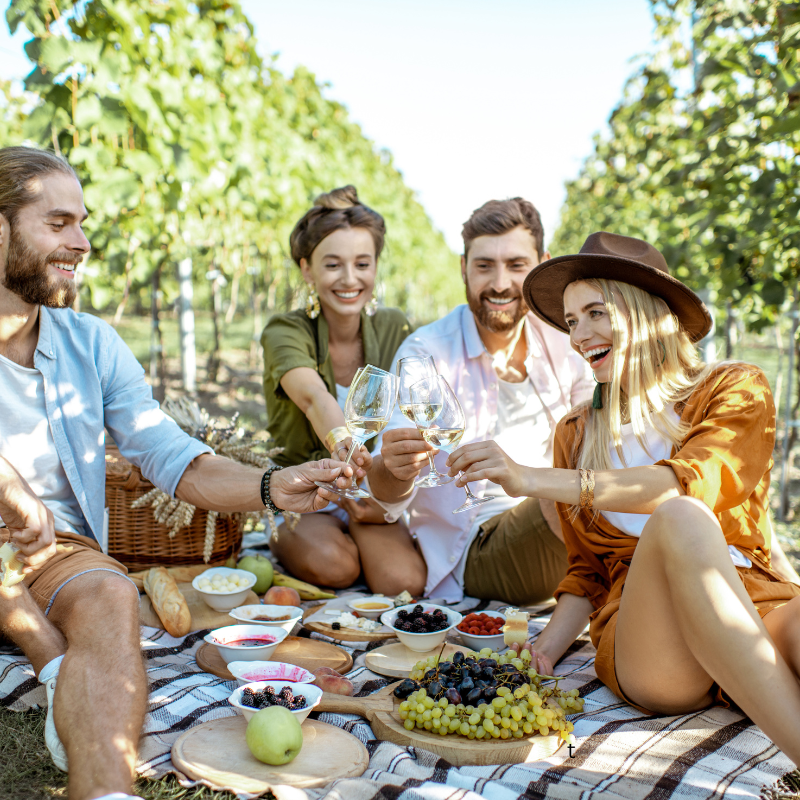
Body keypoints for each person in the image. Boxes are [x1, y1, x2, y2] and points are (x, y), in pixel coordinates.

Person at [0, 146, 356, 800]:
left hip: (49, 553)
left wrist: (270, 487)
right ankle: (40, 647)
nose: (81, 242)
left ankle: (105, 790)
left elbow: (170, 455)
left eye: (82, 223)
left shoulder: (92, 344)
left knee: (110, 595)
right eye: (58, 223)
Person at [446, 231, 800, 763]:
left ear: (648, 313)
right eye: (571, 322)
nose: (579, 336)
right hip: (650, 637)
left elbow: (689, 481)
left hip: (748, 601)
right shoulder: (575, 434)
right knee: (680, 521)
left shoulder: (734, 389)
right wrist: (543, 650)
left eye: (595, 313)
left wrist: (531, 478)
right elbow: (587, 574)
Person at [364, 198, 592, 603]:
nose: (500, 283)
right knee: (571, 497)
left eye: (516, 266)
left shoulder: (566, 340)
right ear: (464, 268)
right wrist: (394, 469)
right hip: (477, 544)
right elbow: (385, 493)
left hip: (562, 524)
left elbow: (598, 444)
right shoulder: (426, 351)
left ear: (542, 264)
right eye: (484, 266)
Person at [261, 186, 426, 595]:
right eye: (332, 265)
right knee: (336, 567)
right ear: (306, 269)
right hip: (306, 488)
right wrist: (347, 450)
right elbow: (314, 398)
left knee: (404, 583)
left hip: (368, 494)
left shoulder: (394, 327)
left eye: (362, 264)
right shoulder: (285, 330)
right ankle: (291, 536)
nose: (350, 279)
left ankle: (357, 531)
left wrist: (379, 494)